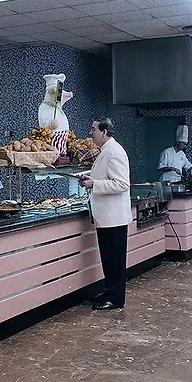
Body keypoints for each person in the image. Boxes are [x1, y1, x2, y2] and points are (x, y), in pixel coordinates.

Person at [79, 117, 132, 310]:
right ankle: (110, 292)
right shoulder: (105, 151)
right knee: (108, 259)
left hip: (114, 218)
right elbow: (106, 177)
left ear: (104, 132)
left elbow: (122, 184)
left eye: (93, 129)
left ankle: (116, 299)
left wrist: (95, 184)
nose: (90, 133)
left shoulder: (114, 151)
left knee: (115, 261)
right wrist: (90, 180)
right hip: (106, 217)